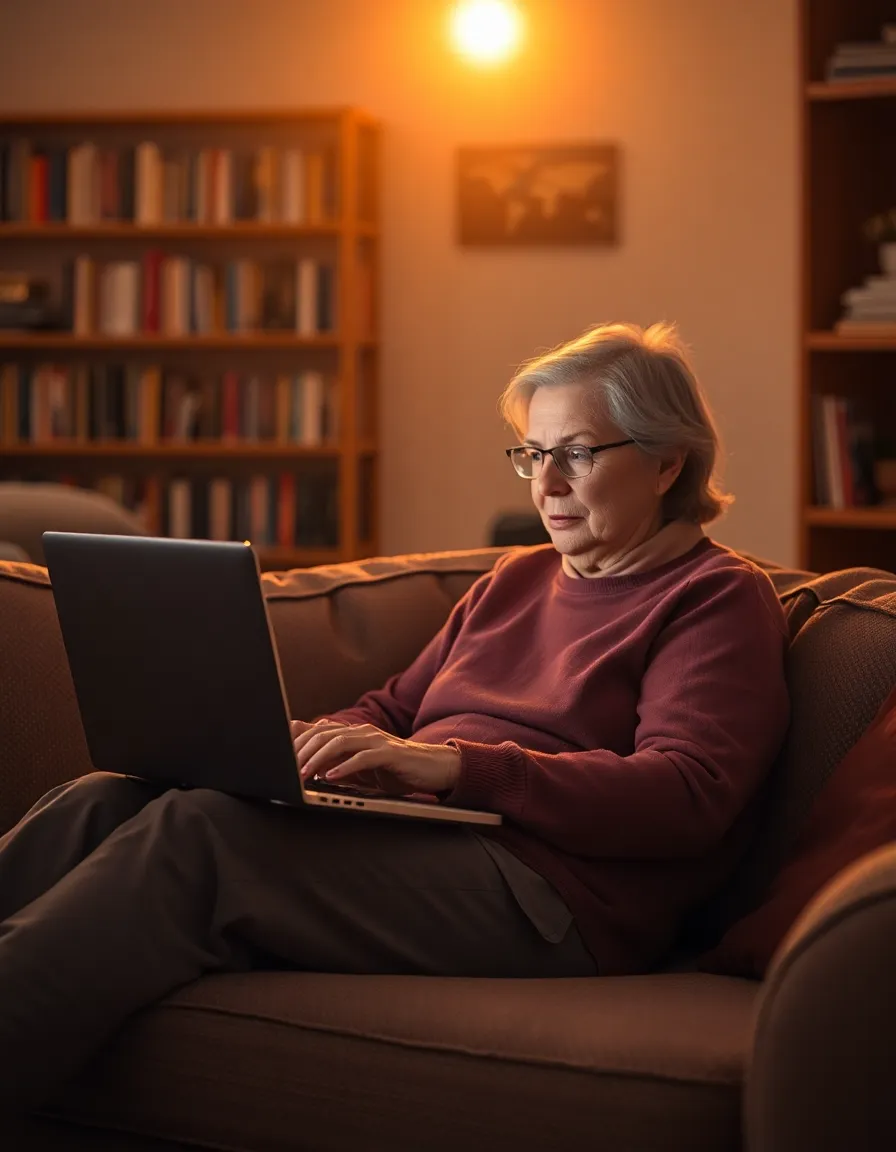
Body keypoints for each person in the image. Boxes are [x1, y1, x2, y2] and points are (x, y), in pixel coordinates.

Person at [0, 321, 789, 1114]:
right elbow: (393, 709)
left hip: (553, 896)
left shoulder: (715, 597)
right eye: (531, 454)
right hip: (432, 833)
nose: (545, 485)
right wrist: (292, 746)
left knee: (199, 840)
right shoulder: (515, 581)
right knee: (106, 798)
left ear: (667, 462)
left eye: (578, 454)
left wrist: (455, 767)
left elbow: (688, 795)